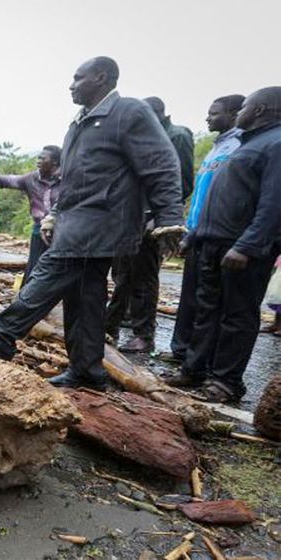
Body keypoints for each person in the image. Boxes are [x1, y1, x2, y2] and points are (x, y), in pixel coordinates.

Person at [0, 56, 185, 390]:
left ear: (101, 78)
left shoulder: (129, 113)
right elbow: (76, 181)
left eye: (78, 78)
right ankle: (87, 370)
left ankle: (0, 338)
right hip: (78, 219)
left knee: (47, 275)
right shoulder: (80, 123)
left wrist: (170, 218)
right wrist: (55, 214)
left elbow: (162, 165)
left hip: (102, 222)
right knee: (84, 297)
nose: (71, 84)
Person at [172, 87, 281, 402]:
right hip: (214, 241)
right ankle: (194, 370)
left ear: (259, 110)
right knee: (207, 311)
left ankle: (225, 381)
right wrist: (194, 234)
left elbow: (274, 205)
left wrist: (247, 245)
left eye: (244, 107)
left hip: (241, 248)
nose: (240, 112)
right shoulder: (248, 143)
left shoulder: (275, 144)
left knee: (237, 315)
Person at [104, 97, 195, 353]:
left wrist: (162, 217)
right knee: (121, 275)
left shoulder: (177, 136)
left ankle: (145, 335)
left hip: (150, 219)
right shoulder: (140, 137)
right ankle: (110, 326)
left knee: (144, 277)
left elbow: (180, 183)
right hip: (128, 217)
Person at [162, 95, 245, 364]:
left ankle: (202, 363)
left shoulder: (240, 146)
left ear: (234, 113)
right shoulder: (216, 147)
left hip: (222, 234)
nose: (207, 118)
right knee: (191, 298)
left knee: (213, 304)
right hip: (198, 230)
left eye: (214, 113)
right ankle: (182, 351)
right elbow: (201, 194)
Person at [0, 145, 61, 287]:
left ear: (55, 162)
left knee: (59, 268)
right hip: (39, 231)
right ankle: (27, 300)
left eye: (42, 158)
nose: (38, 160)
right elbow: (4, 180)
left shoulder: (67, 181)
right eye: (38, 157)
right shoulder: (31, 179)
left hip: (62, 232)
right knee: (35, 267)